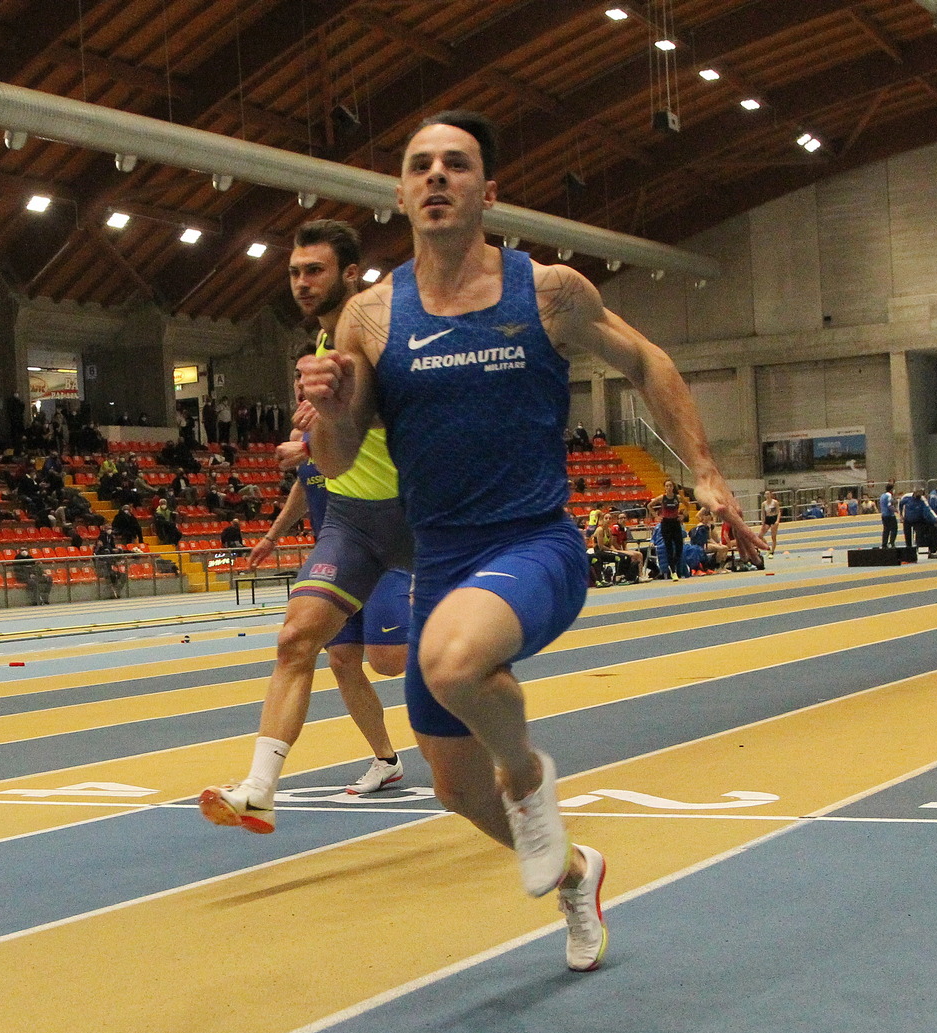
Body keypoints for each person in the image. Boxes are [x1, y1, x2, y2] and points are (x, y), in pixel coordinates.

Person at [298, 110, 762, 973]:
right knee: (452, 788)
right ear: (400, 193)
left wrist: (705, 473)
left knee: (453, 663)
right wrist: (326, 408)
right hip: (439, 561)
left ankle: (527, 775)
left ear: (489, 191)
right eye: (421, 165)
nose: (437, 176)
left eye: (456, 164)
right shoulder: (370, 316)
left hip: (536, 545)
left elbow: (648, 362)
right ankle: (578, 874)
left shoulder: (548, 291)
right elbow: (336, 457)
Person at [202, 222, 417, 828]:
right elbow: (331, 447)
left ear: (349, 273)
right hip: (352, 521)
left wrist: (334, 419)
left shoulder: (384, 333)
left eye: (314, 270)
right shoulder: (321, 349)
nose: (301, 282)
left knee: (400, 661)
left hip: (417, 513)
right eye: (295, 272)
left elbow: (409, 411)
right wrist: (312, 444)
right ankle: (258, 788)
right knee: (296, 639)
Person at [650, 480, 687, 579]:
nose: (669, 488)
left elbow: (687, 505)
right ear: (665, 488)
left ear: (673, 487)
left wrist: (683, 516)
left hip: (675, 523)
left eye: (670, 486)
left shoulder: (677, 498)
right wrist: (656, 517)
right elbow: (649, 506)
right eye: (667, 486)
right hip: (666, 523)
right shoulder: (662, 498)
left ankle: (672, 564)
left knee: (679, 547)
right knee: (669, 547)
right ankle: (673, 571)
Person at [759, 490, 781, 555]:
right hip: (767, 519)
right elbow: (763, 513)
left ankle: (772, 551)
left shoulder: (775, 502)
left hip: (774, 518)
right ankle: (768, 548)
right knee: (760, 535)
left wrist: (777, 521)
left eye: (768, 494)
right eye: (766, 494)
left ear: (771, 495)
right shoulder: (764, 504)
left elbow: (778, 512)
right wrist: (763, 522)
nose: (767, 496)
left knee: (773, 536)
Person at [878, 481, 898, 549]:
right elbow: (889, 505)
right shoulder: (889, 495)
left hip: (884, 515)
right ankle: (892, 543)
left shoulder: (882, 495)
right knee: (894, 529)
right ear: (891, 489)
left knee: (886, 530)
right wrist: (896, 510)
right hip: (890, 515)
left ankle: (884, 544)